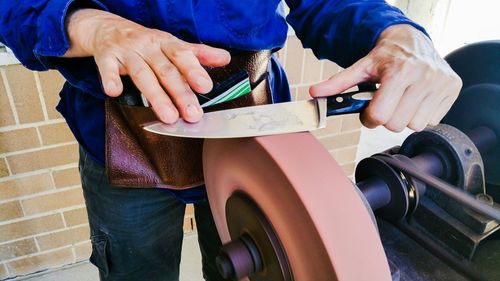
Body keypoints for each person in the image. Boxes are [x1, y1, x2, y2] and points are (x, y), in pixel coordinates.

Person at [0, 1, 462, 280]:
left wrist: (395, 30)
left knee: (253, 268)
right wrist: (85, 23)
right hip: (126, 137)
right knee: (135, 273)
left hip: (253, 128)